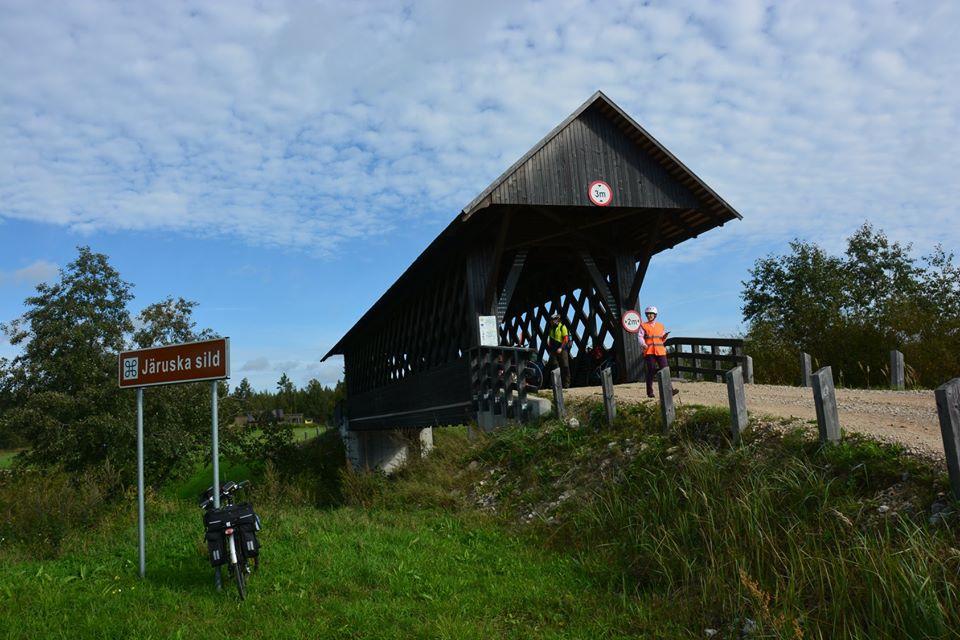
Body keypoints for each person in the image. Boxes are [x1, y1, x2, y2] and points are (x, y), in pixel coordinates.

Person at [640, 305, 674, 398]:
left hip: (660, 351)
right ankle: (649, 392)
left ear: (655, 315)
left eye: (651, 314)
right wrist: (643, 344)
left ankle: (670, 390)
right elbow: (640, 337)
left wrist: (665, 336)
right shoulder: (643, 325)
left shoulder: (660, 326)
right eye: (648, 314)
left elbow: (662, 339)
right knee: (651, 370)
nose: (649, 316)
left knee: (665, 370)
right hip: (649, 351)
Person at [546, 311, 571, 388]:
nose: (551, 321)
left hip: (562, 349)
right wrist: (549, 347)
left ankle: (566, 384)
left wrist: (561, 347)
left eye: (552, 320)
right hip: (553, 350)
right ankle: (556, 384)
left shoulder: (562, 327)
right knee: (554, 366)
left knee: (565, 366)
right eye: (551, 320)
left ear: (556, 320)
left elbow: (566, 339)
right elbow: (550, 339)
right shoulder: (551, 329)